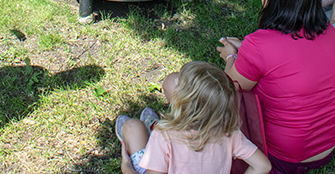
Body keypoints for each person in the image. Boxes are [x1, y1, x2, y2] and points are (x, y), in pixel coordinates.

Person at [215, 0, 335, 172]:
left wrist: (231, 57)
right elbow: (291, 56)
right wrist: (246, 46)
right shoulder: (330, 31)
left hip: (285, 156)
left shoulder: (259, 45)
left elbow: (230, 88)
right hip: (327, 146)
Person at [116, 61, 271, 174]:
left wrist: (127, 168)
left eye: (181, 84)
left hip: (160, 158)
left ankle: (146, 131)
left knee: (132, 126)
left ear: (183, 103)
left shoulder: (164, 135)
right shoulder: (229, 133)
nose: (176, 82)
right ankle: (149, 128)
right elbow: (263, 166)